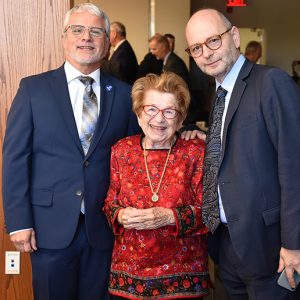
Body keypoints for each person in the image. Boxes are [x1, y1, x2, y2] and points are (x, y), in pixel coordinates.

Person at [2, 3, 140, 300]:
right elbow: (15, 158)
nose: (86, 37)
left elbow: (135, 157)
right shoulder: (33, 90)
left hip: (104, 228)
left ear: (106, 41)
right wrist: (18, 221)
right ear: (64, 37)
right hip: (46, 228)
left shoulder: (126, 94)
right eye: (77, 30)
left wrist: (187, 132)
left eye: (95, 31)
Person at [185, 8, 300, 299]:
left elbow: (294, 166)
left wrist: (294, 244)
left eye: (213, 41)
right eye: (196, 48)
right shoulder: (220, 92)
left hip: (270, 248)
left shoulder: (271, 82)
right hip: (225, 244)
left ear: (234, 36)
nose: (206, 53)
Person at [103, 72, 209, 299]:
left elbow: (210, 211)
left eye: (169, 112)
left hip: (183, 277)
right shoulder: (121, 151)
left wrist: (170, 217)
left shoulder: (196, 152)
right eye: (151, 109)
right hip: (128, 276)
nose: (159, 120)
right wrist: (120, 215)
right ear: (139, 114)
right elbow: (110, 202)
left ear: (181, 119)